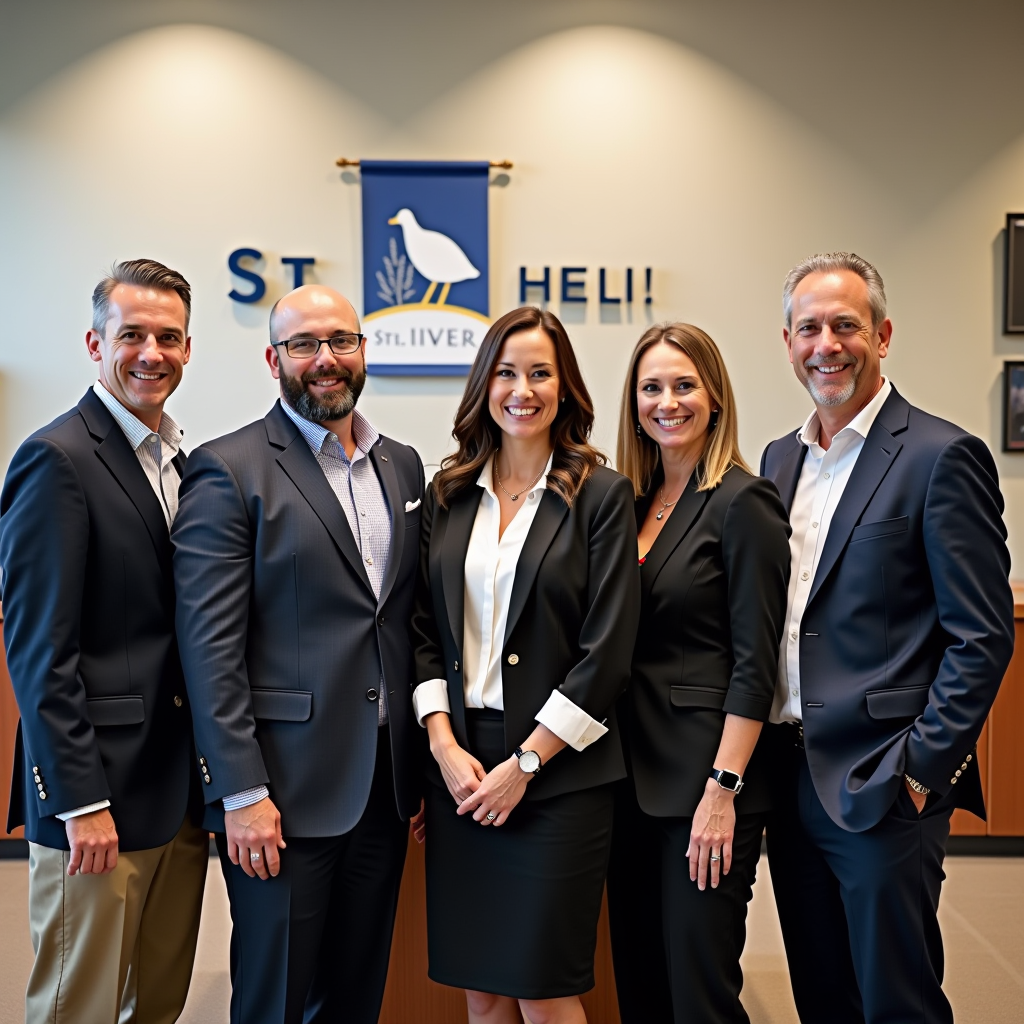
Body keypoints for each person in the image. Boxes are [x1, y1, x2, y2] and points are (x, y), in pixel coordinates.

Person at [761, 252, 1015, 1024]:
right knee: (821, 995)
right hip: (789, 775)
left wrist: (920, 772)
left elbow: (982, 636)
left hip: (883, 782)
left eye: (846, 326)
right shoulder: (779, 460)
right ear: (787, 341)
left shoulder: (942, 456)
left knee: (895, 1000)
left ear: (883, 334)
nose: (826, 345)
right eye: (809, 328)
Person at [171, 284, 425, 1024]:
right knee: (275, 1001)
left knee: (353, 1000)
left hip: (382, 792)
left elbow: (403, 623)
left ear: (363, 352)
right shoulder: (229, 469)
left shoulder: (402, 467)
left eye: (340, 341)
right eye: (305, 345)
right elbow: (209, 647)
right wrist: (241, 793)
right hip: (279, 797)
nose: (325, 360)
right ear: (273, 358)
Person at [410, 306, 640, 1024]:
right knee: (482, 990)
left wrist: (528, 765)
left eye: (541, 373)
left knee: (545, 989)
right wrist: (443, 747)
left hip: (560, 777)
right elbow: (422, 633)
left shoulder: (601, 496)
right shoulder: (448, 494)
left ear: (565, 388)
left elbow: (607, 654)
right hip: (463, 773)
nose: (523, 389)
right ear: (483, 385)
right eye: (506, 373)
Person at [0, 259, 208, 1024]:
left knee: (154, 1005)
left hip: (176, 794)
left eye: (168, 336)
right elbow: (38, 651)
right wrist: (80, 800)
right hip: (98, 803)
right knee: (75, 1010)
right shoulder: (56, 459)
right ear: (95, 344)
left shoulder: (186, 462)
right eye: (131, 335)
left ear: (189, 349)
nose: (150, 352)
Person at [605, 324, 791, 1024]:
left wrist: (723, 790)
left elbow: (757, 662)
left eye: (684, 385)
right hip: (624, 784)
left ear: (713, 396)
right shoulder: (624, 503)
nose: (667, 402)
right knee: (642, 984)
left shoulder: (744, 502)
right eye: (651, 387)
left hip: (703, 789)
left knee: (699, 993)